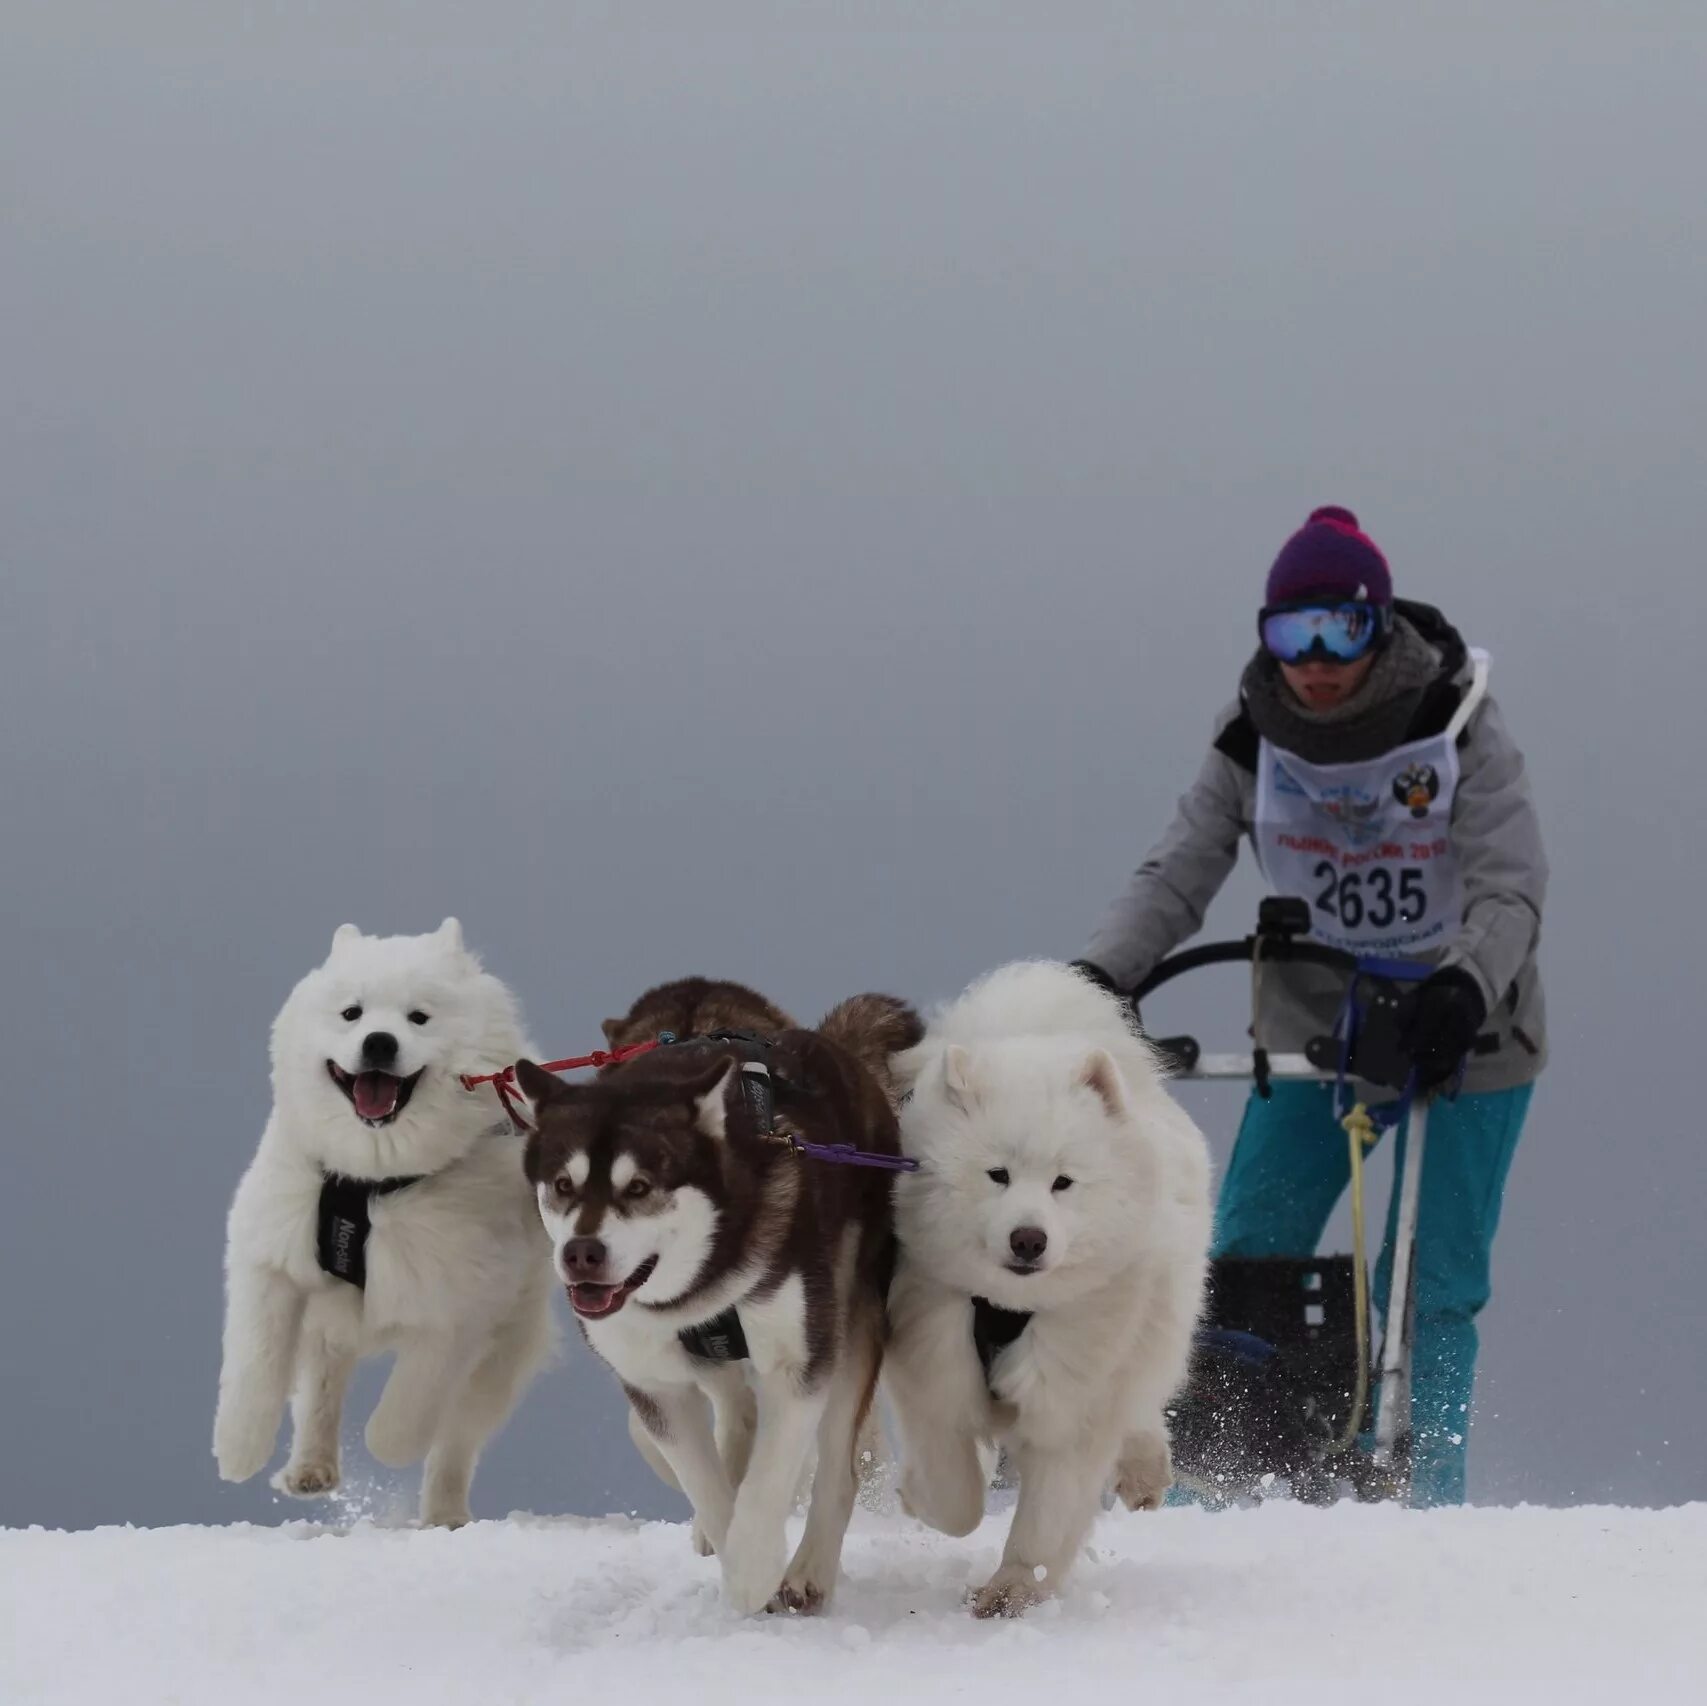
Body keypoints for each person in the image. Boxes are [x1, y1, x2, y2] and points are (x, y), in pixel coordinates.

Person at [1074, 506, 1546, 1506]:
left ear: (1378, 629)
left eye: (1342, 632)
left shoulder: (1458, 719)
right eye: (1294, 637)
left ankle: (1429, 1493)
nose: (1318, 663)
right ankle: (1224, 1472)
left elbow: (1512, 882)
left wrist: (1462, 983)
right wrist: (1098, 977)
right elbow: (1178, 871)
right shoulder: (1254, 740)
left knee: (1430, 1277)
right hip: (1318, 1027)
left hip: (1471, 1020)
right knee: (1248, 1247)